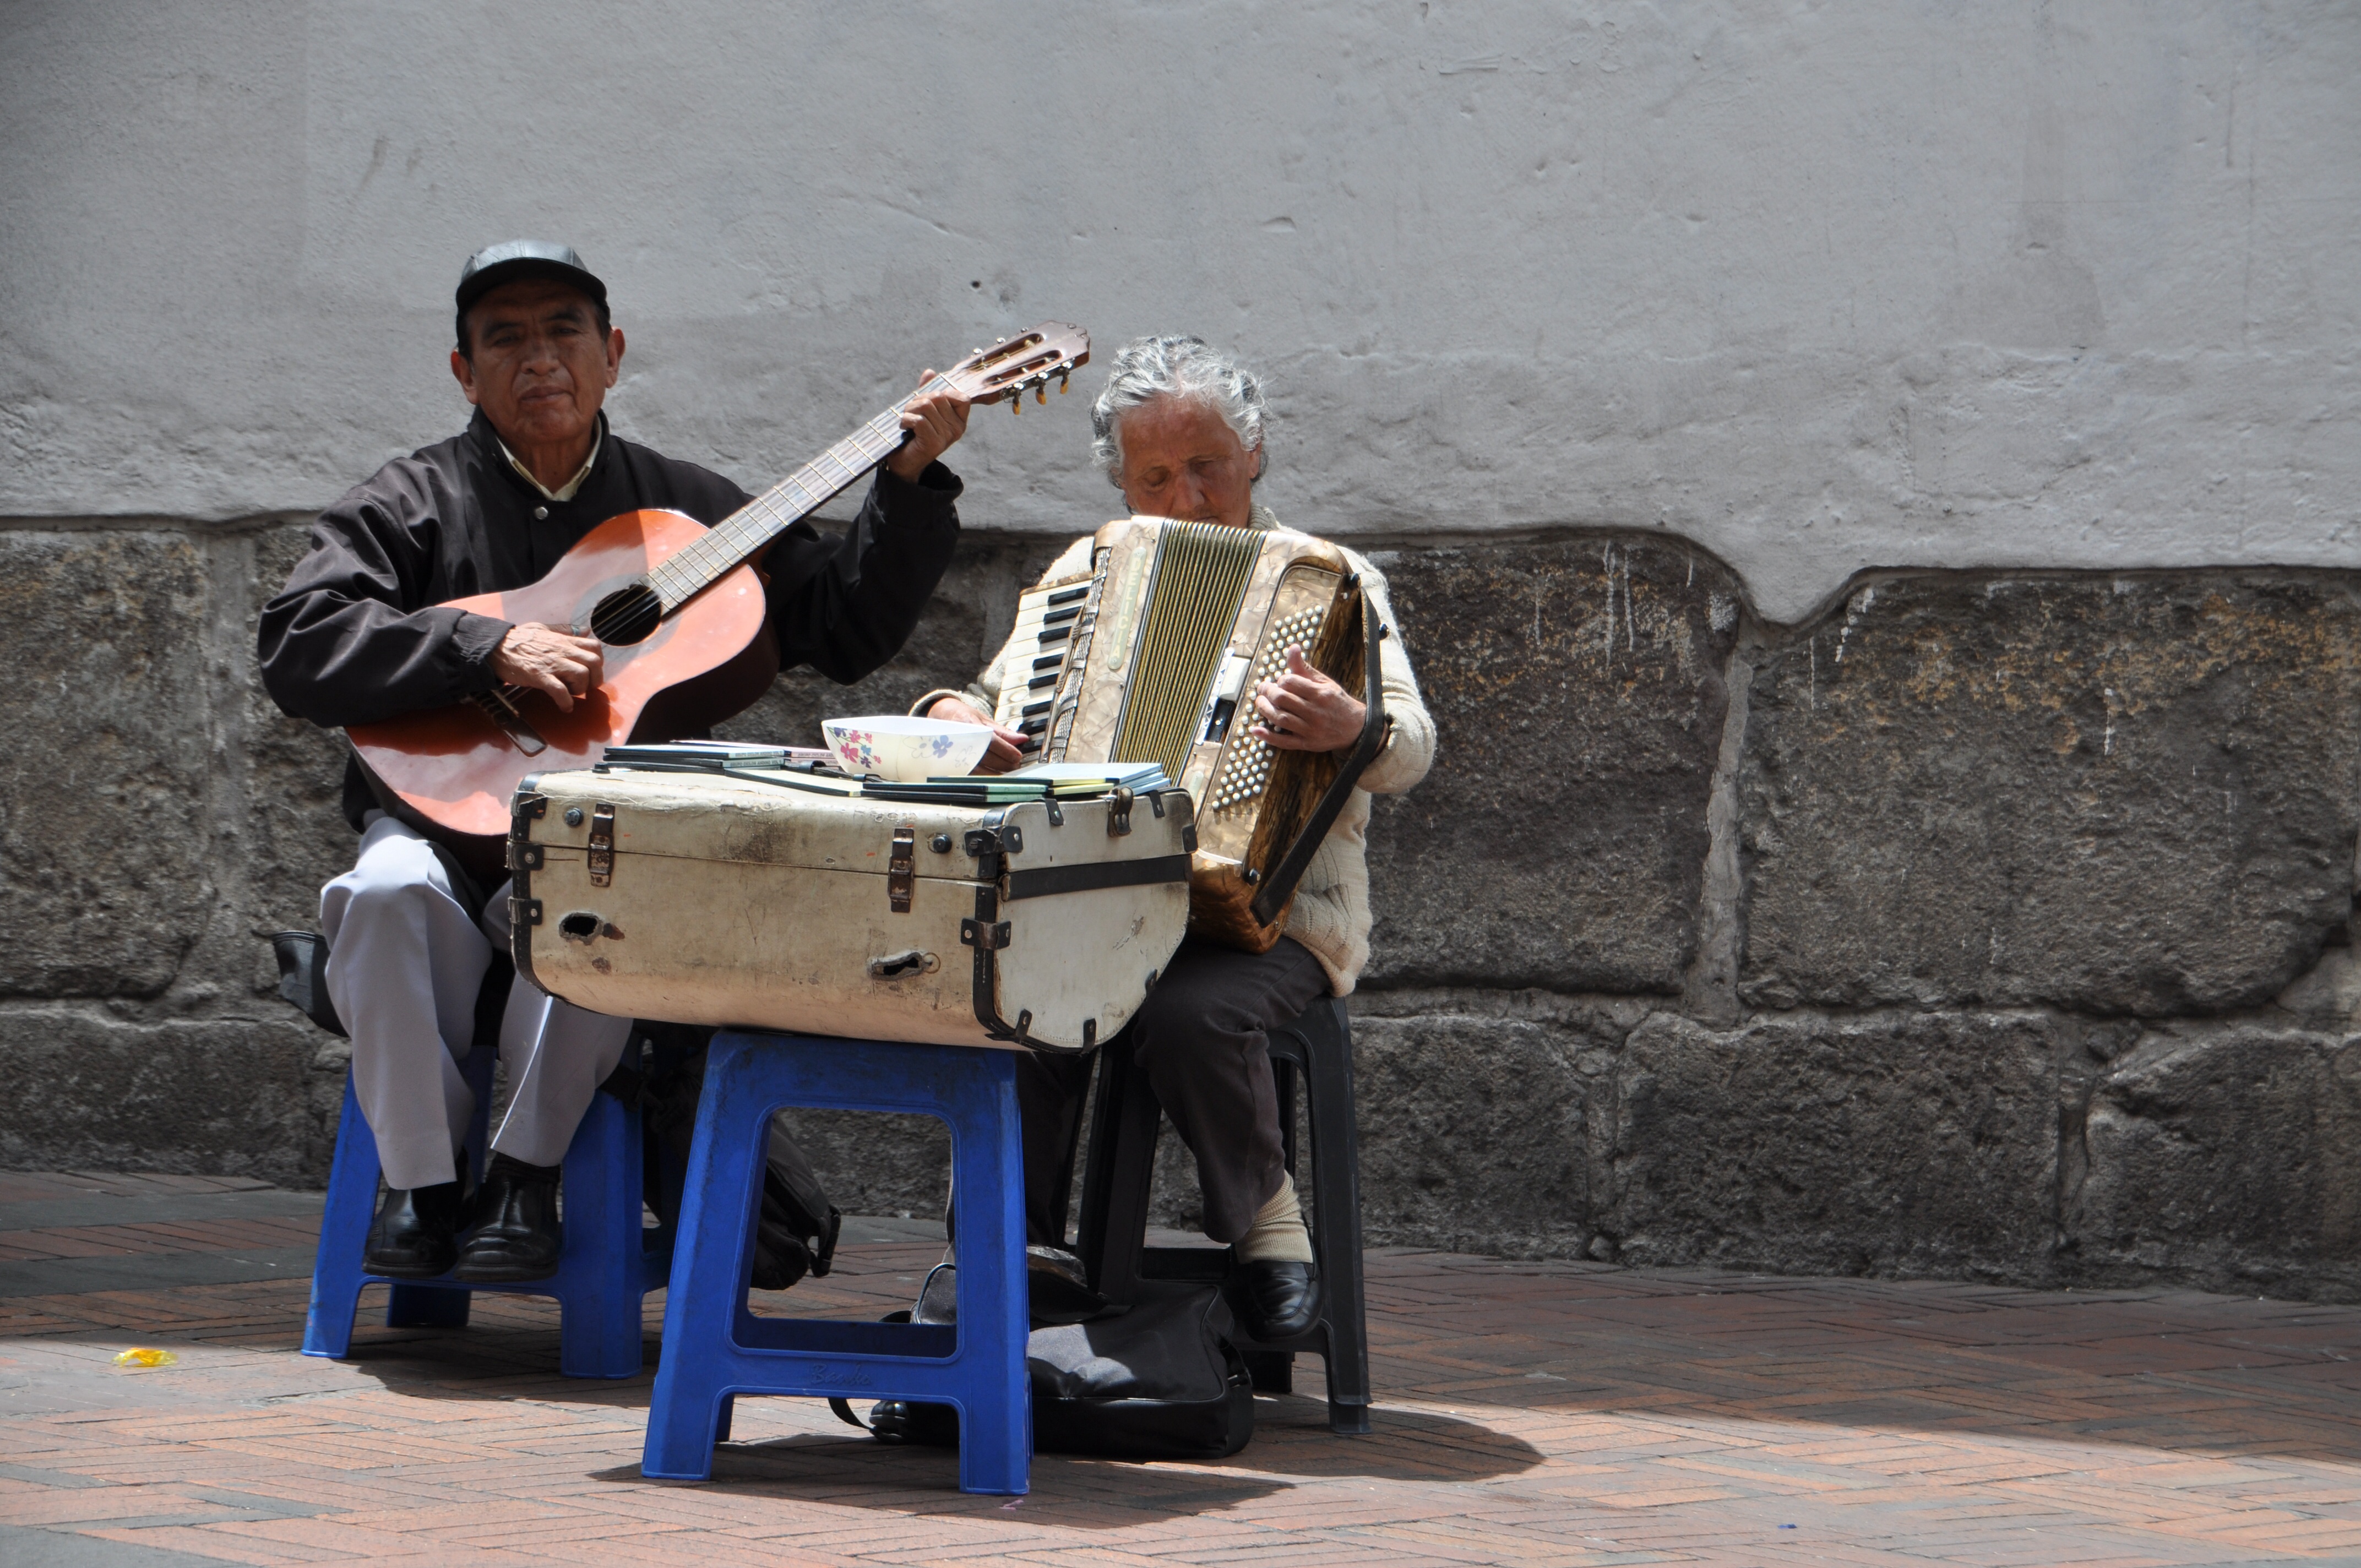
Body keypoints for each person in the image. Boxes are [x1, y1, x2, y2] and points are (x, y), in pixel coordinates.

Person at [258, 240, 970, 1282]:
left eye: (565, 332)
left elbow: (843, 624)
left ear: (614, 354)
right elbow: (297, 641)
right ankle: (421, 1188)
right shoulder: (411, 502)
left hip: (605, 845)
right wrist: (482, 647)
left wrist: (907, 486)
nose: (539, 358)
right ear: (464, 372)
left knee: (605, 906)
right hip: (442, 840)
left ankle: (523, 1180)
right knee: (378, 893)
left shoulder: (686, 512)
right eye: (506, 339)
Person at [913, 335, 1434, 1339]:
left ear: (1256, 452)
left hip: (1274, 917)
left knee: (1184, 1015)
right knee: (1017, 999)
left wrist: (1354, 727)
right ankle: (999, 1256)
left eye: (1207, 467)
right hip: (1095, 897)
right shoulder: (1088, 571)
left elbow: (1411, 747)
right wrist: (955, 717)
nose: (1186, 499)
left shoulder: (1333, 580)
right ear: (1121, 480)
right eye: (1154, 477)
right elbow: (987, 699)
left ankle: (1273, 1238)